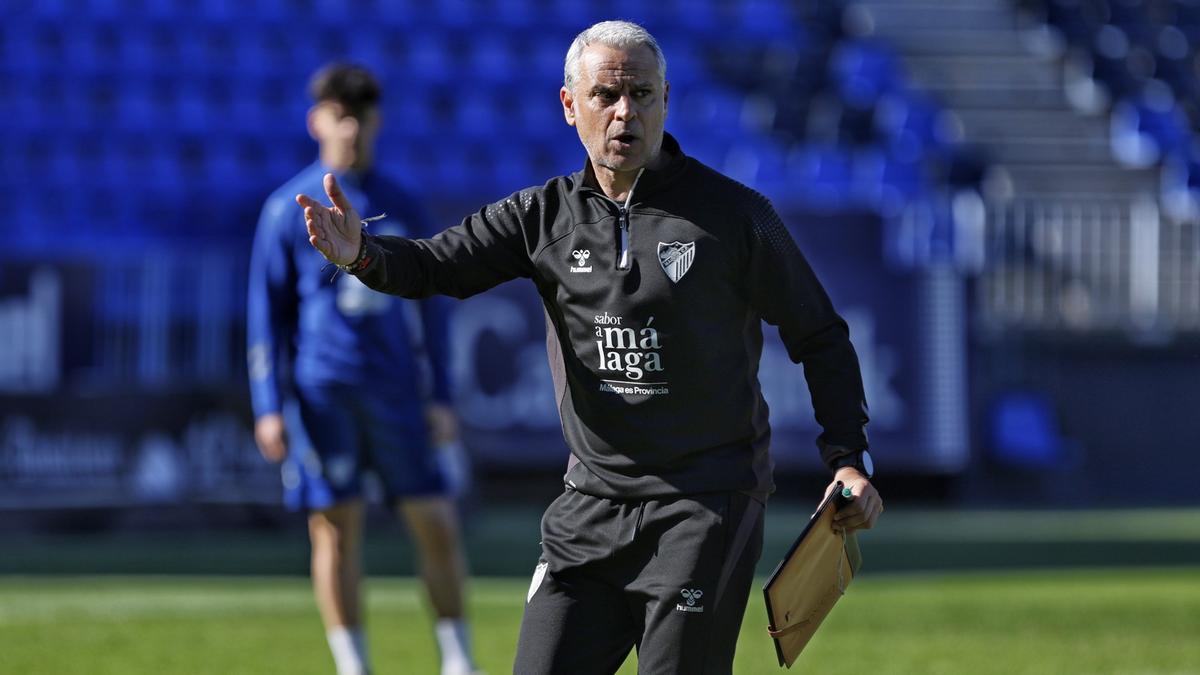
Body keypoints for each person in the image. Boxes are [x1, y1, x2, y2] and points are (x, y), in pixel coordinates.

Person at [299, 22, 884, 674]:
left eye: (642, 93)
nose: (625, 111)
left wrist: (847, 457)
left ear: (667, 99)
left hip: (706, 503)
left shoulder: (736, 217)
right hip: (588, 507)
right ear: (570, 105)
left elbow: (821, 335)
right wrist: (362, 256)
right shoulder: (540, 216)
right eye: (606, 94)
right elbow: (437, 265)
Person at [247, 63, 479, 675]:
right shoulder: (284, 211)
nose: (350, 127)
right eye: (338, 115)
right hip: (324, 392)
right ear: (315, 121)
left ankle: (458, 661)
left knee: (434, 517)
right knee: (335, 527)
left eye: (361, 116)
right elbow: (265, 318)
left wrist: (443, 394)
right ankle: (354, 667)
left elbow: (433, 302)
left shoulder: (402, 202)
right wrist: (268, 404)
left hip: (397, 387)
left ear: (377, 121)